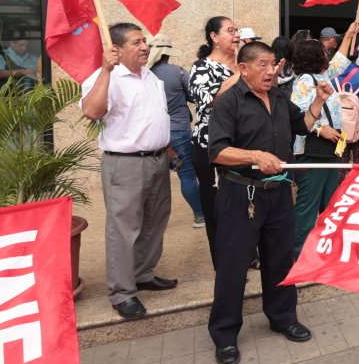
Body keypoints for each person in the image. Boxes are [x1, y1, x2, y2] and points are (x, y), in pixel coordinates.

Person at [207, 41, 328, 363]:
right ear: (243, 68)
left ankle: (282, 317)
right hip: (241, 194)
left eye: (273, 64)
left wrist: (318, 101)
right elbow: (217, 151)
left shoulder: (279, 98)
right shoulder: (229, 103)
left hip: (279, 192)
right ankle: (225, 333)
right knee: (233, 266)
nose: (270, 71)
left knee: (280, 260)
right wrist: (254, 156)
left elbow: (302, 126)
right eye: (262, 64)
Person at [80, 23, 175, 321]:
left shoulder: (150, 77)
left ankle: (143, 273)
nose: (145, 46)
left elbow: (155, 117)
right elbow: (92, 111)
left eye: (144, 41)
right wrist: (106, 71)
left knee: (155, 221)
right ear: (117, 49)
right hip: (125, 164)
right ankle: (122, 292)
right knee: (124, 229)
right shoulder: (105, 77)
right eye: (136, 42)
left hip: (158, 159)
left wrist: (169, 149)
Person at [290, 21, 359, 257]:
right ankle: (299, 254)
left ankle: (325, 249)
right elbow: (299, 114)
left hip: (329, 150)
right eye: (323, 52)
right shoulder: (304, 81)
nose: (328, 54)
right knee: (308, 205)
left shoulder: (323, 76)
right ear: (314, 57)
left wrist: (349, 34)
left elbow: (340, 60)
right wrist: (321, 129)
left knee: (329, 203)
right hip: (313, 150)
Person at [189, 16, 241, 263]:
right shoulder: (202, 67)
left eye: (237, 30)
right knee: (217, 207)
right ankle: (224, 262)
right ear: (214, 37)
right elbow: (209, 99)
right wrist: (240, 73)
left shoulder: (243, 63)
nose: (236, 35)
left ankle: (247, 255)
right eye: (230, 30)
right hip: (212, 147)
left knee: (244, 203)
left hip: (244, 146)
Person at [148, 35, 202, 228]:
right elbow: (194, 96)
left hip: (151, 132)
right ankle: (199, 215)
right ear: (167, 54)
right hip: (178, 129)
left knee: (155, 179)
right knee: (187, 175)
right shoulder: (178, 72)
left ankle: (152, 220)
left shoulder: (143, 74)